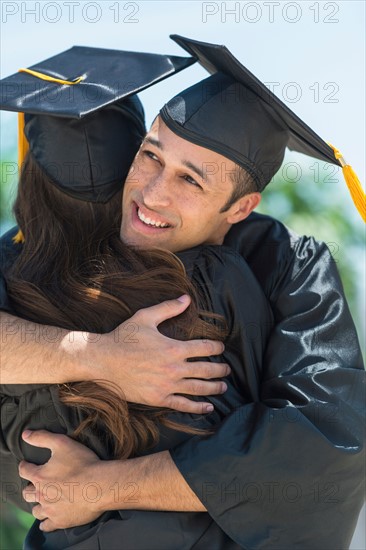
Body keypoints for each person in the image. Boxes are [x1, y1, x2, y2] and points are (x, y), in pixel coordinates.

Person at [1, 36, 365, 549]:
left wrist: (101, 487)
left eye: (191, 181)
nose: (152, 193)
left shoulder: (284, 265)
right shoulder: (52, 261)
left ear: (240, 207)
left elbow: (324, 438)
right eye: (150, 156)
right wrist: (102, 356)